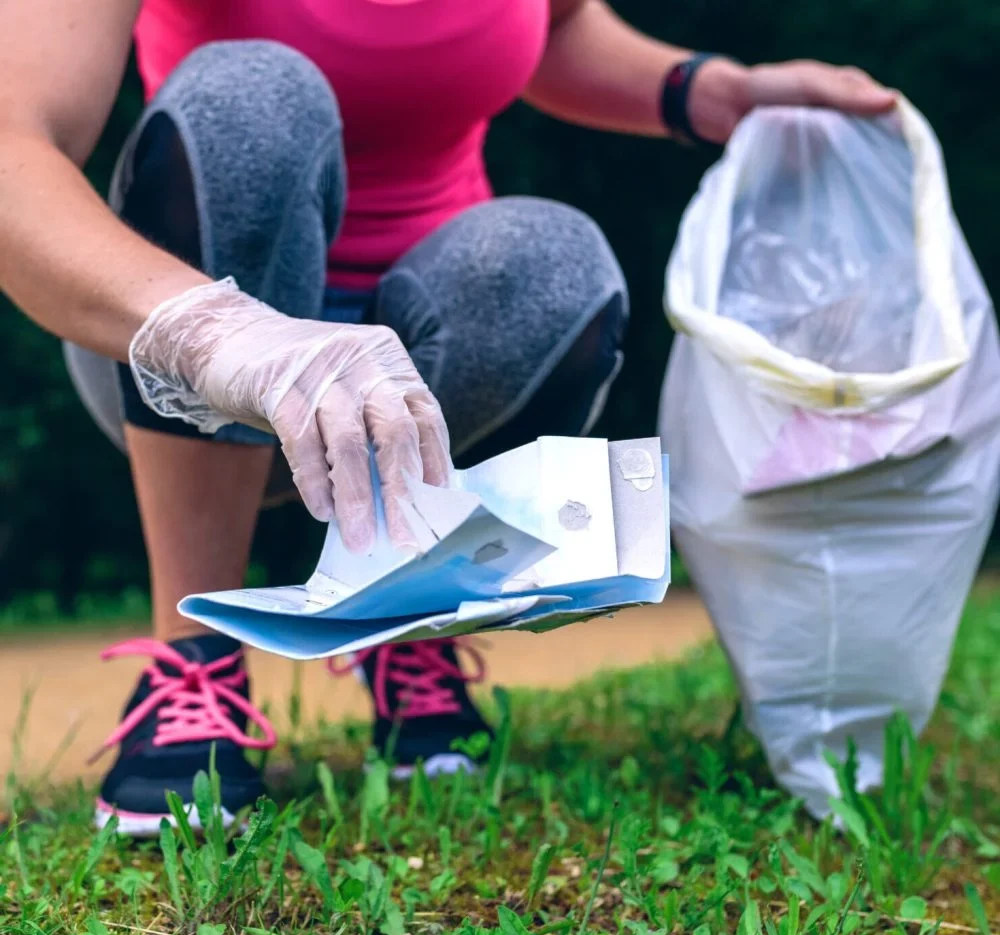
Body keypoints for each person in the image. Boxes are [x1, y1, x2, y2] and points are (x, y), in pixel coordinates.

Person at [0, 0, 896, 834]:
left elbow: (554, 29)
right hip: (186, 340)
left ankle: (409, 612)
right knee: (251, 95)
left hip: (426, 363)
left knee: (554, 260)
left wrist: (706, 91)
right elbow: (13, 140)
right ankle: (191, 667)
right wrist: (215, 335)